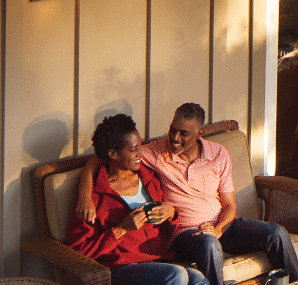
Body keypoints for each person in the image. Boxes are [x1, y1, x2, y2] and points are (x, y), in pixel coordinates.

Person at [77, 103, 298, 284]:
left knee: (276, 232)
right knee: (208, 245)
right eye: (172, 130)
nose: (175, 138)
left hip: (222, 226)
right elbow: (101, 157)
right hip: (187, 234)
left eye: (183, 133)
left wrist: (217, 229)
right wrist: (85, 194)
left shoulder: (219, 154)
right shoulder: (154, 153)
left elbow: (230, 206)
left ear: (200, 133)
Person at [66, 113, 208, 285]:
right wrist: (120, 229)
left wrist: (171, 213)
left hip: (159, 260)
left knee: (198, 278)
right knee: (176, 275)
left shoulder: (149, 177)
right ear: (113, 154)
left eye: (140, 147)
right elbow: (78, 253)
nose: (140, 154)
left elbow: (166, 230)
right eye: (133, 150)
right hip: (121, 269)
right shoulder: (93, 198)